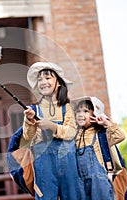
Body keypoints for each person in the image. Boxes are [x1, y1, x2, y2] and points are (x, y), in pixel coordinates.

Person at [22, 61, 83, 199]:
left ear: (59, 83)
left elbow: (71, 132)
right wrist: (29, 121)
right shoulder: (34, 110)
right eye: (39, 79)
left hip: (69, 165)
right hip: (44, 166)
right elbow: (28, 138)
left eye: (48, 78)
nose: (43, 81)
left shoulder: (67, 108)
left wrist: (51, 125)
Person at [73, 96, 126, 200]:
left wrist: (106, 122)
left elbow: (120, 136)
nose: (81, 114)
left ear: (94, 114)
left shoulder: (101, 135)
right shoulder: (75, 136)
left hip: (99, 181)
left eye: (86, 111)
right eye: (78, 111)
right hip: (79, 183)